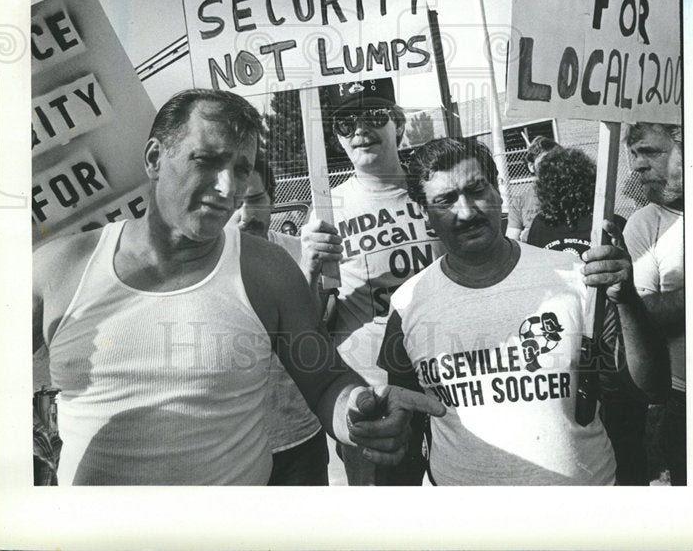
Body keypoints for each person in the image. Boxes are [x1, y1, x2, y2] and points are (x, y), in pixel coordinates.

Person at [32, 88, 443, 485]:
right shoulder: (60, 269)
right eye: (207, 161)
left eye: (241, 170)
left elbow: (324, 383)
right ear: (155, 157)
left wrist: (357, 410)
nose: (229, 188)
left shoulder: (268, 270)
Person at [378, 137, 669, 486]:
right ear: (426, 215)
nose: (467, 212)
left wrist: (628, 300)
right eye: (445, 201)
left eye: (477, 190)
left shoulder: (577, 276)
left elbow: (651, 388)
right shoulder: (408, 303)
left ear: (500, 193)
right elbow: (403, 420)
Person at [300, 78, 444, 485]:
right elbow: (309, 321)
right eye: (346, 122)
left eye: (374, 116)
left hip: (449, 378)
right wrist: (309, 268)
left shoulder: (434, 193)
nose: (360, 130)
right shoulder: (328, 209)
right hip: (373, 394)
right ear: (336, 136)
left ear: (397, 122)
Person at [524, 146, 649, 484]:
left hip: (566, 342)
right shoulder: (614, 224)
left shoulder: (538, 228)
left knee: (578, 423)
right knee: (623, 427)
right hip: (612, 341)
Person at [232, 154, 329, 485]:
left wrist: (312, 271)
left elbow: (313, 336)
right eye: (235, 203)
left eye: (256, 200)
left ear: (272, 200)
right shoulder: (200, 268)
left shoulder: (298, 252)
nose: (245, 216)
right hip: (232, 449)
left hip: (300, 436)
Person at [622, 121, 685, 485]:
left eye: (651, 151)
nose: (636, 166)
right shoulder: (645, 224)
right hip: (684, 399)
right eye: (633, 154)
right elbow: (640, 315)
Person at [507, 135, 559, 242]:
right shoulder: (519, 202)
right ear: (531, 166)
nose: (551, 166)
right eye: (545, 162)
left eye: (556, 161)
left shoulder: (571, 194)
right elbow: (512, 242)